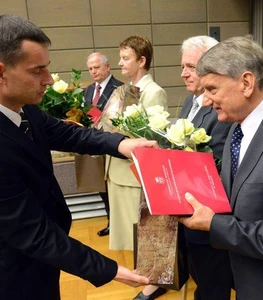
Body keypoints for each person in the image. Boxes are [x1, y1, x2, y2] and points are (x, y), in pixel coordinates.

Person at [0, 14, 154, 300]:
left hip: (41, 259)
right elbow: (33, 233)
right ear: (1, 72)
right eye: (37, 71)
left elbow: (72, 135)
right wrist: (108, 269)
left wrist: (123, 145)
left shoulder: (26, 109)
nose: (48, 79)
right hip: (13, 268)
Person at [179, 35, 263, 300]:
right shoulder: (238, 126)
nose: (207, 101)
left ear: (246, 83)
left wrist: (214, 224)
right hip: (245, 279)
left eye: (212, 89)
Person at [100, 36, 168, 300]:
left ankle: (154, 280)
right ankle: (147, 276)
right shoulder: (124, 90)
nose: (120, 63)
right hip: (118, 169)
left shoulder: (153, 92)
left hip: (134, 172)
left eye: (126, 58)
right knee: (130, 232)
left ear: (142, 60)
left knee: (142, 231)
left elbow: (153, 137)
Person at [178, 36, 233, 300]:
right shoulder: (191, 100)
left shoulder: (223, 109)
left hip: (209, 215)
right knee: (198, 273)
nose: (183, 73)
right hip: (188, 210)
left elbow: (220, 165)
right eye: (183, 66)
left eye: (190, 66)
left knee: (212, 285)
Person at [84, 52, 123, 236]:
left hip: (112, 143)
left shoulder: (121, 88)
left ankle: (118, 224)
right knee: (101, 186)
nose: (93, 71)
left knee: (113, 186)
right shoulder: (88, 90)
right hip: (93, 143)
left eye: (96, 67)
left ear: (107, 67)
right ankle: (111, 221)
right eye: (90, 68)